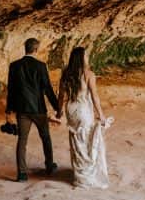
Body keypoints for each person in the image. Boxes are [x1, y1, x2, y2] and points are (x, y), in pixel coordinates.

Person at [6, 38, 60, 182]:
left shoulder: (14, 66)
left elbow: (11, 90)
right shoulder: (41, 66)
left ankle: (22, 174)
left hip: (22, 109)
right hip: (38, 109)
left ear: (25, 48)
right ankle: (49, 165)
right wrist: (57, 107)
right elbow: (47, 89)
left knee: (22, 141)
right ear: (36, 49)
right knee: (45, 137)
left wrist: (9, 110)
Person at [56, 47, 110, 189]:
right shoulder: (89, 74)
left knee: (76, 142)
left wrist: (59, 112)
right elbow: (94, 96)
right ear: (82, 58)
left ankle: (79, 173)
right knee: (86, 142)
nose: (88, 57)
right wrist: (101, 114)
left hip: (71, 111)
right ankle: (86, 175)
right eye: (86, 55)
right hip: (84, 110)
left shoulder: (66, 74)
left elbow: (61, 96)